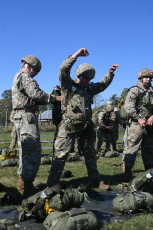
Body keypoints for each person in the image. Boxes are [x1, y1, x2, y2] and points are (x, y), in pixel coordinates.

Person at [47, 48, 119, 190]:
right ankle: (51, 184)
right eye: (85, 77)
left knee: (91, 155)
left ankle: (95, 180)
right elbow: (63, 69)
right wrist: (76, 55)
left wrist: (110, 74)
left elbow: (103, 84)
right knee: (61, 155)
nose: (87, 81)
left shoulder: (89, 89)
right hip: (68, 126)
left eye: (89, 78)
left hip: (86, 126)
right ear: (78, 75)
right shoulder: (68, 85)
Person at [12, 55, 61, 197]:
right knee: (32, 151)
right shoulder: (25, 76)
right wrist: (55, 98)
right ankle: (28, 186)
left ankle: (23, 181)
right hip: (26, 117)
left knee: (24, 150)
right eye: (36, 71)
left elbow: (31, 97)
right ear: (29, 66)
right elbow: (36, 94)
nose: (36, 74)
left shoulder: (19, 76)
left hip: (22, 116)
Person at [122, 68, 153, 182]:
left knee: (149, 149)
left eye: (150, 78)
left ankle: (150, 173)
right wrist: (138, 118)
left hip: (149, 124)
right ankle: (127, 174)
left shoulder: (152, 93)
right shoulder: (134, 90)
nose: (148, 79)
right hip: (136, 124)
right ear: (140, 78)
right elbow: (128, 107)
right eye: (146, 77)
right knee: (132, 148)